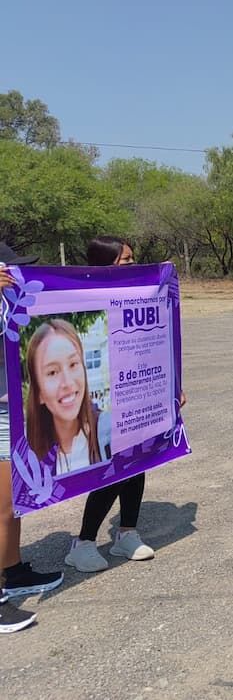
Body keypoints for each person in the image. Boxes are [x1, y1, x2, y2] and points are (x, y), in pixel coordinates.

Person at [65, 236, 172, 573]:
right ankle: (83, 543)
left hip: (136, 390)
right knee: (113, 468)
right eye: (126, 259)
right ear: (105, 263)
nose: (132, 263)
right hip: (104, 395)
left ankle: (127, 533)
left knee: (139, 461)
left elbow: (158, 340)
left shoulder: (139, 292)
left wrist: (171, 386)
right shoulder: (81, 295)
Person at [1, 245, 62, 633]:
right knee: (2, 506)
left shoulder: (13, 305)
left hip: (12, 412)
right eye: (10, 271)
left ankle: (13, 570)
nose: (17, 278)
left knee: (13, 504)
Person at [25, 320, 111, 476]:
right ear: (38, 394)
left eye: (73, 364)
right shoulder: (27, 454)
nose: (67, 382)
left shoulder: (108, 432)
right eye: (52, 372)